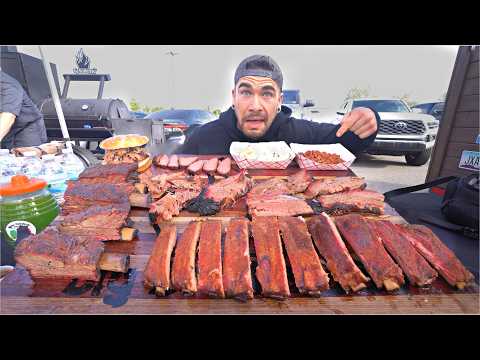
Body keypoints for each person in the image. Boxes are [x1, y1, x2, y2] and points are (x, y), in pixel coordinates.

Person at [178, 55, 379, 155]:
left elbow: (351, 140)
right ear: (234, 97)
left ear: (279, 101)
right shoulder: (203, 138)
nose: (255, 106)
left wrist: (370, 118)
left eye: (266, 94)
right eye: (246, 92)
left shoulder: (298, 133)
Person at [0, 71, 48, 149]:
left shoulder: (8, 85)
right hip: (8, 133)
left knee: (27, 159)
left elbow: (8, 117)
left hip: (26, 131)